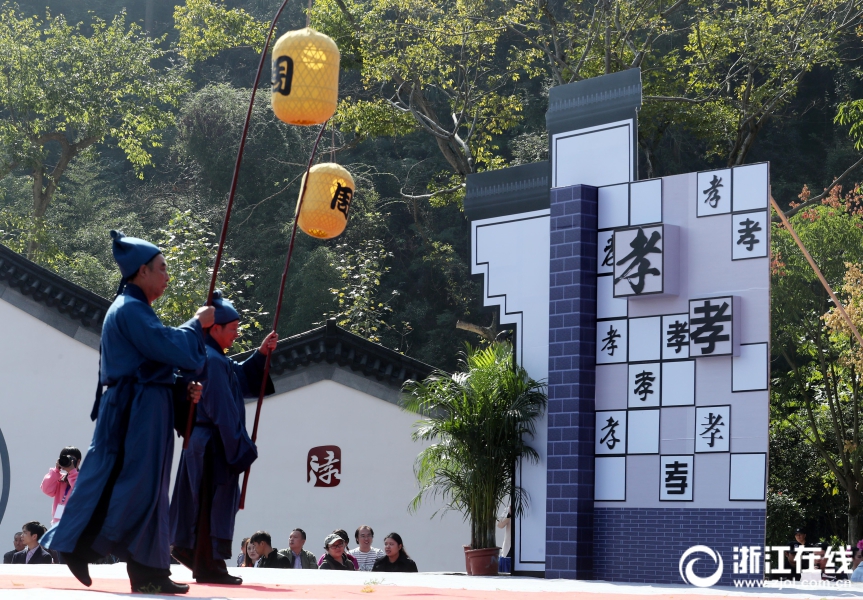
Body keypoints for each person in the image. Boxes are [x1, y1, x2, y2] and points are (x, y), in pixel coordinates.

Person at [41, 230, 214, 595]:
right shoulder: (130, 310)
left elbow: (157, 361)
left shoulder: (136, 310)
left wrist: (181, 388)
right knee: (129, 484)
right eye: (162, 269)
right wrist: (197, 325)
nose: (168, 276)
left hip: (145, 405)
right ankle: (77, 544)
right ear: (141, 272)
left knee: (149, 488)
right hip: (133, 410)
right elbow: (171, 348)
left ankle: (149, 570)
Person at [170, 291, 277, 585]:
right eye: (232, 329)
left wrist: (261, 355)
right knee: (210, 504)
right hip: (214, 443)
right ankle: (208, 563)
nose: (235, 335)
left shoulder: (211, 356)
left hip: (202, 441)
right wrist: (240, 448)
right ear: (213, 328)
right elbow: (223, 410)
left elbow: (239, 378)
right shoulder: (213, 360)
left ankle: (192, 551)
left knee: (199, 502)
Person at [41, 447, 82, 525]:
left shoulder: (83, 478)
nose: (68, 461)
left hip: (75, 524)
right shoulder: (60, 478)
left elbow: (81, 492)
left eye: (71, 459)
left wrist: (72, 472)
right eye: (64, 458)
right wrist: (56, 470)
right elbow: (46, 489)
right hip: (58, 524)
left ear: (78, 461)